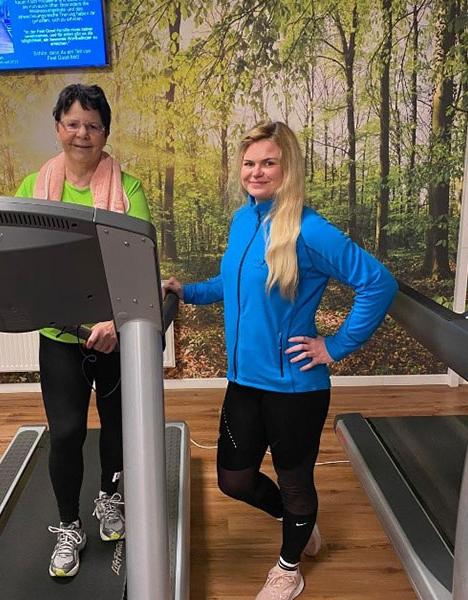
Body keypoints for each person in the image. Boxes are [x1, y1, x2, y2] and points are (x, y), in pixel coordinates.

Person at [163, 121, 397, 600]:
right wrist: (189, 291)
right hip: (244, 381)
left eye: (268, 162)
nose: (256, 171)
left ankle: (289, 567)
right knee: (234, 480)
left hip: (295, 389)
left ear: (287, 167)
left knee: (294, 481)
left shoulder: (310, 230)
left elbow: (378, 282)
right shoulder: (243, 219)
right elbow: (233, 282)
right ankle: (295, 522)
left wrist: (334, 346)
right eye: (249, 163)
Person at [0, 84, 151, 579]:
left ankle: (109, 498)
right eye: (73, 123)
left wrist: (116, 322)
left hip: (112, 335)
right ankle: (68, 525)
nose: (83, 133)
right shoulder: (32, 188)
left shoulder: (128, 190)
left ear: (105, 133)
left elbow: (138, 267)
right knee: (65, 433)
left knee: (117, 427)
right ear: (59, 128)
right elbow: (7, 264)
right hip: (60, 338)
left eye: (93, 125)